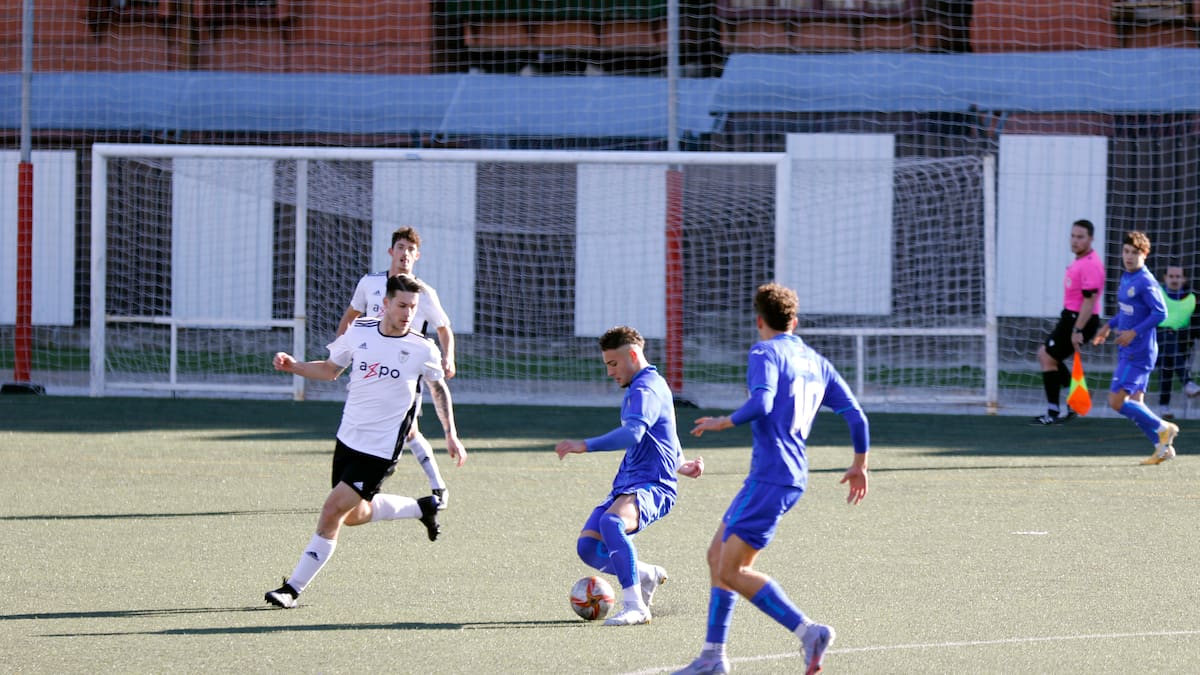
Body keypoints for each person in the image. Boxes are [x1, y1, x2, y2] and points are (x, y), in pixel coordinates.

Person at [675, 283, 869, 675]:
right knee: (717, 556)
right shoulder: (817, 362)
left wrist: (724, 421)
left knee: (732, 570)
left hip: (772, 476)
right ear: (794, 322)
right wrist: (859, 465)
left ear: (759, 320)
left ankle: (809, 631)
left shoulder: (764, 352)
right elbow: (856, 416)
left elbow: (761, 402)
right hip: (784, 475)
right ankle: (713, 656)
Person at [265, 273, 467, 609]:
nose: (408, 313)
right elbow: (330, 369)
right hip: (348, 438)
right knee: (353, 514)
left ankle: (291, 589)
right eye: (402, 305)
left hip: (380, 450)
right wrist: (294, 367)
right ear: (385, 303)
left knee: (331, 510)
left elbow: (437, 388)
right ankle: (422, 507)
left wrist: (451, 435)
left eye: (413, 307)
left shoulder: (422, 348)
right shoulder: (360, 331)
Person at [555, 326, 705, 627]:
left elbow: (634, 433)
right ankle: (646, 574)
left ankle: (635, 606)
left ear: (633, 355)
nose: (610, 372)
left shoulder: (645, 389)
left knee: (612, 523)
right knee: (588, 547)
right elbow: (666, 430)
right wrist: (680, 463)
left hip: (653, 485)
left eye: (613, 363)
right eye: (607, 364)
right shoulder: (647, 385)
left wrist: (585, 445)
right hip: (628, 483)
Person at [338, 226, 456, 509]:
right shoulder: (369, 284)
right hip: (371, 370)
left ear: (417, 256)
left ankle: (437, 488)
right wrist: (342, 351)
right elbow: (350, 316)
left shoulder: (424, 293)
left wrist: (448, 357)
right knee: (366, 422)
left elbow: (444, 328)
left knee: (409, 430)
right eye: (401, 247)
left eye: (411, 249)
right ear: (391, 251)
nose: (405, 254)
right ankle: (352, 484)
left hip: (404, 372)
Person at [1092, 231, 1177, 466]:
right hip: (1129, 348)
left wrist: (1133, 332)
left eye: (1135, 253)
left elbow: (1160, 313)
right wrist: (1108, 326)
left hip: (1138, 351)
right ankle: (1162, 448)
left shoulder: (1146, 281)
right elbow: (1127, 310)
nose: (1129, 257)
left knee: (1116, 401)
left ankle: (1164, 428)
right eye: (1126, 251)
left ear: (1145, 255)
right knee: (1136, 403)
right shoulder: (1127, 277)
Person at [1032, 219, 1106, 425]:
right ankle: (1075, 398)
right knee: (1046, 355)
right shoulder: (1081, 260)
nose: (1075, 241)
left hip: (1079, 320)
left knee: (1047, 357)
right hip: (1070, 317)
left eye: (1080, 237)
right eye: (1073, 236)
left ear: (1091, 239)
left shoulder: (1091, 264)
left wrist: (1077, 330)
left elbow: (1089, 302)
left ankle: (1053, 412)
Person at [1154, 264, 1200, 420]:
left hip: (1181, 341)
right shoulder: (1156, 294)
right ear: (1165, 278)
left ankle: (1164, 406)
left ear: (1184, 279)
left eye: (1178, 276)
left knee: (1167, 361)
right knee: (1166, 337)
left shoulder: (1192, 299)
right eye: (1171, 276)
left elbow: (1196, 324)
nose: (1174, 280)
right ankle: (1187, 382)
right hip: (1156, 338)